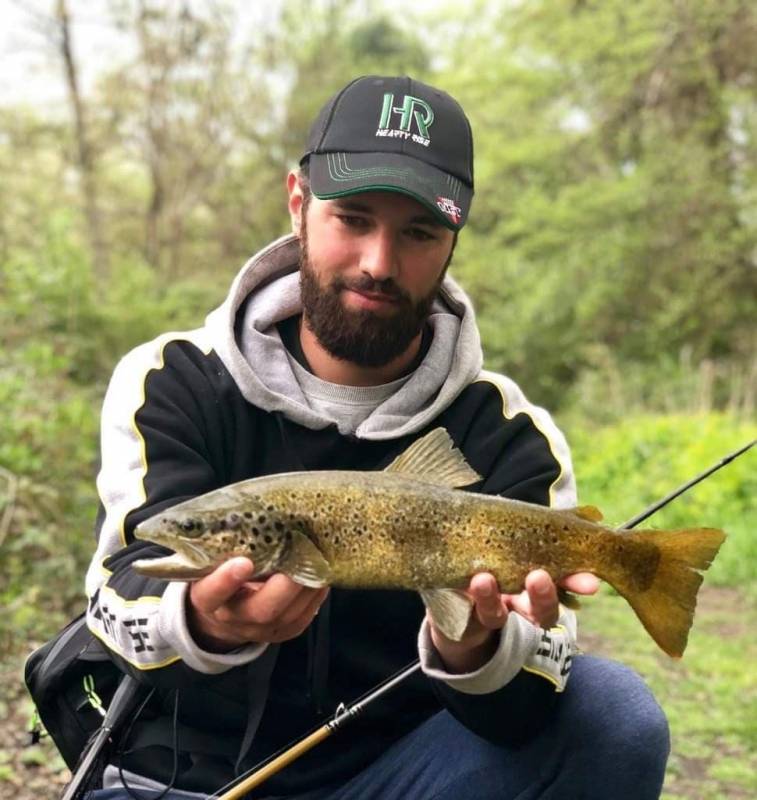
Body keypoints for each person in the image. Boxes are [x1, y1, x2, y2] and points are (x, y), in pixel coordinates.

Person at [84, 75, 669, 799]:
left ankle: (656, 570)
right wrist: (203, 622)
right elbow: (117, 598)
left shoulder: (510, 434)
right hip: (179, 778)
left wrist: (475, 646)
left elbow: (537, 686)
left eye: (417, 232)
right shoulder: (172, 380)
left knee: (613, 715)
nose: (378, 263)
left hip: (403, 776)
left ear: (453, 238)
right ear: (298, 204)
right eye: (352, 218)